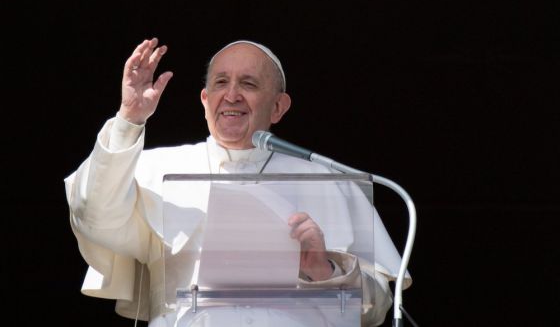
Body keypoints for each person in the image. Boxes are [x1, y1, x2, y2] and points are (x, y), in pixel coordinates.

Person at [64, 38, 411, 326]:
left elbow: (377, 308)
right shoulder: (157, 168)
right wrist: (129, 119)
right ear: (204, 100)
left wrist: (325, 270)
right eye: (220, 83)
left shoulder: (329, 181)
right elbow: (93, 217)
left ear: (278, 107)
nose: (231, 95)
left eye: (248, 83)